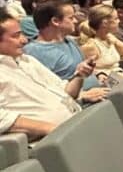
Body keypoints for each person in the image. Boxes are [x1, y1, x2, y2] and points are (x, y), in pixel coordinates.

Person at [0, 8, 95, 140]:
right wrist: (51, 128)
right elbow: (2, 118)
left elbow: (65, 92)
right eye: (16, 36)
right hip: (50, 141)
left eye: (21, 34)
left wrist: (80, 75)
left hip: (75, 122)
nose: (24, 40)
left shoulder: (28, 60)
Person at [24, 0, 107, 99]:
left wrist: (98, 74)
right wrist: (82, 96)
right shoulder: (34, 52)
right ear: (55, 21)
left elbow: (81, 68)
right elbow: (41, 91)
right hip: (77, 105)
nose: (75, 21)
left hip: (98, 93)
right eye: (71, 18)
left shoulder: (69, 40)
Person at [79, 4, 123, 75]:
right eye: (116, 19)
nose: (119, 21)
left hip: (120, 77)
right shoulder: (91, 46)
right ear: (104, 23)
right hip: (105, 82)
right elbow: (87, 72)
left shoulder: (110, 38)